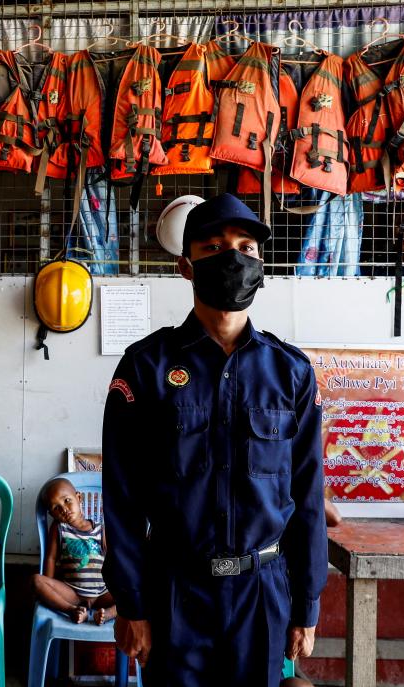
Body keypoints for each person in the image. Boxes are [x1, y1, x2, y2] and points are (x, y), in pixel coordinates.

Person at [102, 193, 328, 685]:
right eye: (214, 247)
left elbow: (308, 494)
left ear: (261, 265)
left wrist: (307, 603)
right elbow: (121, 497)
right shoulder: (146, 366)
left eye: (246, 247)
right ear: (186, 266)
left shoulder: (290, 372)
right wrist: (131, 602)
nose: (233, 258)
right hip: (175, 592)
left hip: (262, 593)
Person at [31, 477, 116, 624]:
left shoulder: (101, 529)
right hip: (72, 593)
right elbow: (51, 557)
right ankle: (72, 610)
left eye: (67, 500)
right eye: (56, 508)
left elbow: (112, 558)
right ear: (52, 514)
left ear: (78, 497)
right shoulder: (59, 528)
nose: (64, 509)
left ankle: (107, 614)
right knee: (37, 581)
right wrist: (50, 584)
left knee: (136, 593)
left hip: (102, 592)